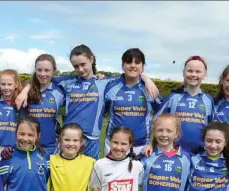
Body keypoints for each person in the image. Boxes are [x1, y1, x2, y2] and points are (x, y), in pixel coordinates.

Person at [16, 45, 159, 159]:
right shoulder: (67, 82)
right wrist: (25, 90)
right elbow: (43, 77)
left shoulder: (105, 82)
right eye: (76, 66)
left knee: (90, 182)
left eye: (83, 64)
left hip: (92, 140)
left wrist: (146, 79)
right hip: (69, 137)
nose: (80, 69)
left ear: (92, 59)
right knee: (64, 178)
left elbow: (130, 75)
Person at [104, 48, 163, 155]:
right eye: (129, 62)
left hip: (141, 145)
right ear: (122, 65)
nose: (133, 65)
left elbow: (162, 113)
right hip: (114, 143)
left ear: (143, 67)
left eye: (137, 62)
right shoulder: (110, 87)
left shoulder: (150, 88)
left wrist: (154, 141)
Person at [151, 56, 214, 155]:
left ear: (205, 74)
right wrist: (152, 144)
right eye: (190, 71)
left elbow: (213, 127)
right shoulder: (173, 97)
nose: (193, 74)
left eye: (198, 71)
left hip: (199, 155)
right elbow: (156, 120)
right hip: (174, 153)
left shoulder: (209, 101)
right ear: (184, 73)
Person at [22, 54, 65, 155]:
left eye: (47, 70)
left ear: (54, 70)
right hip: (28, 144)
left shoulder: (60, 92)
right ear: (35, 70)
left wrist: (97, 76)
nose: (42, 74)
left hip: (50, 146)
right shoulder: (26, 91)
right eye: (39, 70)